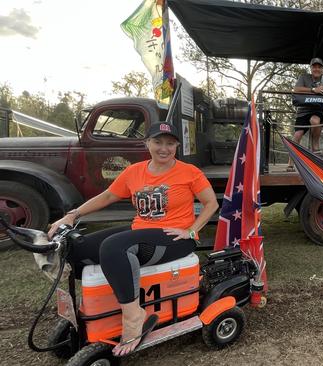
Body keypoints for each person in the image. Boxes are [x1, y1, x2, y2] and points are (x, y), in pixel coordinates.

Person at [47, 122, 218, 356]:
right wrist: (72, 215)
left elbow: (211, 204)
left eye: (170, 143)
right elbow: (107, 196)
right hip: (141, 231)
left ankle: (134, 316)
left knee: (113, 247)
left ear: (177, 145)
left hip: (175, 238)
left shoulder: (189, 172)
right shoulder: (134, 171)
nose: (164, 148)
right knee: (75, 249)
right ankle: (106, 306)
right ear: (147, 143)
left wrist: (191, 230)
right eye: (158, 142)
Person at [291, 57, 323, 159]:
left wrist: (322, 90)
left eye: (319, 67)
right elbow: (296, 89)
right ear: (311, 68)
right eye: (314, 67)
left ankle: (315, 146)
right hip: (303, 111)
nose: (317, 69)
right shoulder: (303, 76)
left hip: (318, 109)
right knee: (297, 135)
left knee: (315, 120)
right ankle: (291, 162)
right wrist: (313, 90)